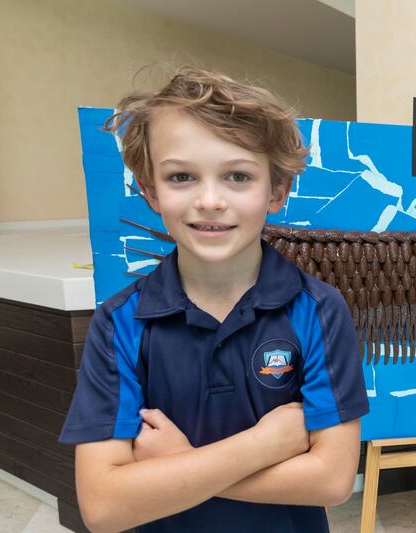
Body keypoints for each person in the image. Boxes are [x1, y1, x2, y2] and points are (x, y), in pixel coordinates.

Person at [58, 67, 369, 532]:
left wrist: (183, 463)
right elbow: (104, 506)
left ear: (277, 191)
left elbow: (331, 480)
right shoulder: (120, 322)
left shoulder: (319, 310)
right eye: (181, 176)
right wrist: (260, 446)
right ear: (149, 192)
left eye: (237, 176)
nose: (209, 200)